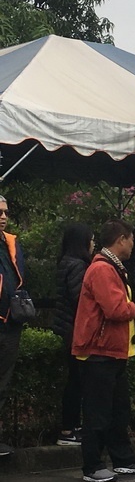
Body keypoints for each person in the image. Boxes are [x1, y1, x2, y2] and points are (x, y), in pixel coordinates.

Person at [73, 220, 135, 482]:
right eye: (131, 239)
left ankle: (124, 459)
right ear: (122, 239)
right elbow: (115, 309)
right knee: (98, 412)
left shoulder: (111, 267)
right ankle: (92, 465)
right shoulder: (102, 269)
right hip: (99, 351)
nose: (134, 244)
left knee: (119, 410)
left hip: (114, 350)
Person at [52, 223, 94, 446]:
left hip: (67, 328)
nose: (93, 243)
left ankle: (71, 426)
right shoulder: (77, 265)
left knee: (75, 379)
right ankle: (68, 430)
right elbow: (81, 299)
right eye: (91, 239)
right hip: (74, 330)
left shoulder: (65, 262)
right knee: (76, 381)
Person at [0, 195, 30, 457]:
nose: (3, 217)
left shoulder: (11, 243)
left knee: (2, 383)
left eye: (6, 212)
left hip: (10, 324)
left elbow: (20, 276)